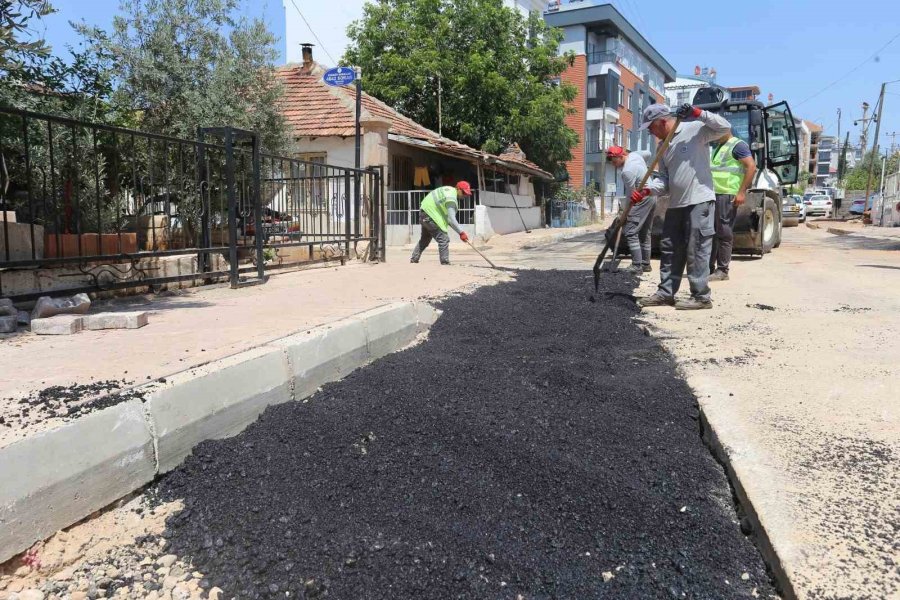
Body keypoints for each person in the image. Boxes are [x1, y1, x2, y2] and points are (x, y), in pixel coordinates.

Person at [631, 103, 731, 310]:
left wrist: (699, 113)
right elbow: (666, 181)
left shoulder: (694, 129)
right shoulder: (662, 147)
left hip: (699, 200)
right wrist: (648, 190)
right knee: (669, 249)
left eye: (651, 127)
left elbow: (724, 127)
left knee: (697, 249)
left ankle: (701, 297)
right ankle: (666, 293)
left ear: (662, 121)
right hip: (675, 204)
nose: (650, 131)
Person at [708, 132, 757, 281]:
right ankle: (709, 268)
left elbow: (751, 167)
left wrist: (741, 192)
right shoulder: (719, 146)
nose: (713, 136)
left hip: (727, 193)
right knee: (713, 232)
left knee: (724, 231)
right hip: (715, 193)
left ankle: (722, 270)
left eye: (715, 132)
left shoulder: (738, 145)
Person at [606, 146, 655, 274]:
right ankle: (645, 264)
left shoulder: (627, 171)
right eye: (610, 160)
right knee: (645, 233)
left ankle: (637, 265)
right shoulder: (635, 155)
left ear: (621, 156)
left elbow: (632, 195)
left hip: (642, 198)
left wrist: (625, 213)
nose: (612, 163)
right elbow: (648, 152)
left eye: (613, 160)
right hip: (652, 195)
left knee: (630, 231)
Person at [410, 181, 472, 265]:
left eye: (466, 194)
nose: (465, 195)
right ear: (458, 189)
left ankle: (414, 258)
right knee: (443, 239)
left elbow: (448, 218)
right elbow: (451, 219)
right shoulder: (451, 199)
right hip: (430, 215)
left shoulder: (448, 190)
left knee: (425, 239)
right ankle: (445, 261)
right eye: (464, 192)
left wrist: (459, 231)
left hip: (424, 213)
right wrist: (461, 232)